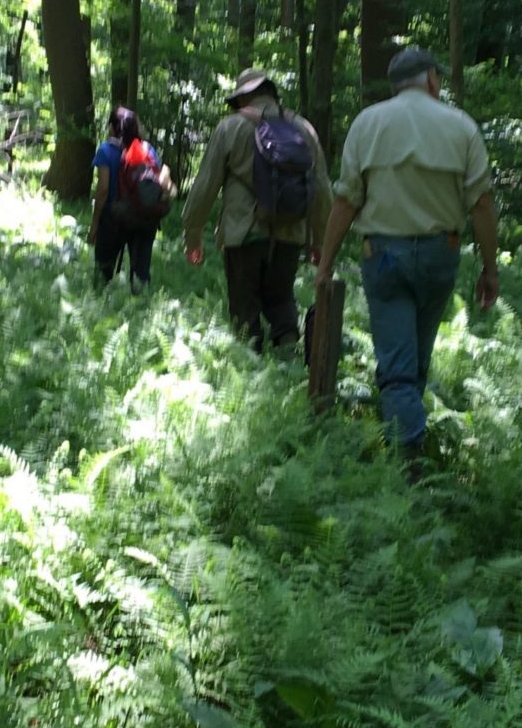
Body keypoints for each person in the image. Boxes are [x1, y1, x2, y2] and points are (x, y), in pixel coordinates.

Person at [315, 46, 499, 459]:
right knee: (413, 363)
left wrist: (324, 265)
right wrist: (490, 269)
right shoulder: (461, 126)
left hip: (383, 257)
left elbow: (345, 201)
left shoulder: (368, 124)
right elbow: (482, 204)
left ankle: (407, 463)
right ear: (432, 79)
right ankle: (411, 456)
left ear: (396, 85)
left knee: (398, 368)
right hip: (440, 255)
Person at [182, 69, 332, 352]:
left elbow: (205, 186)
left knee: (244, 308)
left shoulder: (230, 128)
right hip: (291, 233)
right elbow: (322, 189)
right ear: (271, 94)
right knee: (282, 300)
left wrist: (193, 235)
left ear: (242, 98)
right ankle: (287, 368)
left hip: (243, 234)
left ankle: (250, 374)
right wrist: (320, 241)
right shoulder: (304, 129)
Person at [88, 104, 170, 293]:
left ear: (111, 127)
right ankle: (140, 313)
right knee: (140, 275)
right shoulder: (147, 150)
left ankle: (100, 310)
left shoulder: (105, 151)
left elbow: (103, 190)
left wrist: (94, 224)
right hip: (145, 218)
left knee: (103, 273)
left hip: (113, 219)